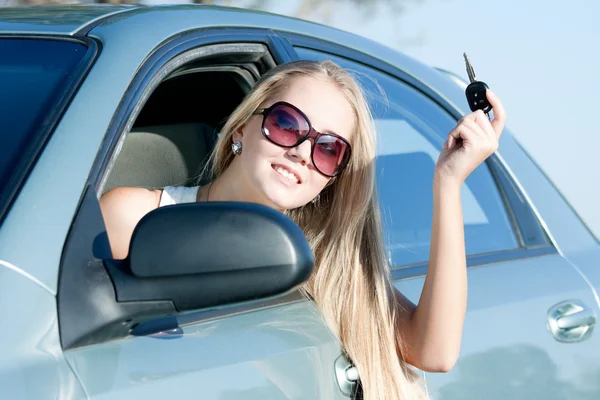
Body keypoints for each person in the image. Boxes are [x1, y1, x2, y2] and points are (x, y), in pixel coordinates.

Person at [100, 60, 506, 399]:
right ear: (242, 128)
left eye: (328, 148)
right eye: (287, 124)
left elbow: (433, 352)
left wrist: (449, 183)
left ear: (331, 179)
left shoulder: (326, 265)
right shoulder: (136, 216)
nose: (301, 151)